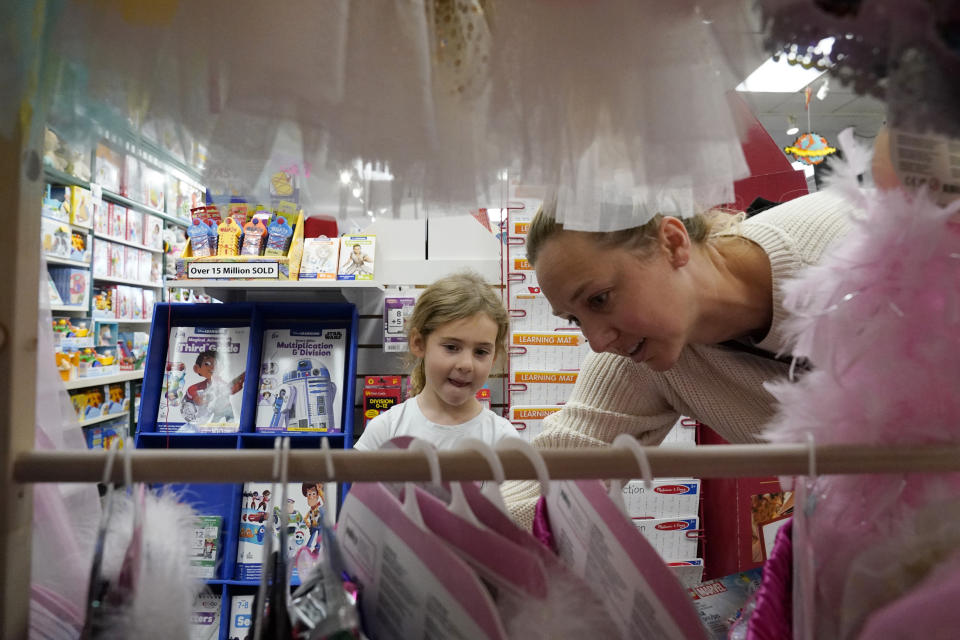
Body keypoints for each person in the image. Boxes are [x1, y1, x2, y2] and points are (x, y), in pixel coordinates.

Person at [501, 189, 856, 528]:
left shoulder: (852, 240)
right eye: (575, 320)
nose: (597, 341)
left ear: (672, 243)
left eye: (600, 300)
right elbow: (558, 476)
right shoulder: (644, 357)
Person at [354, 271, 519, 450]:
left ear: (493, 357)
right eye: (451, 347)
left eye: (480, 352)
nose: (466, 365)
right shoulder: (386, 430)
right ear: (418, 343)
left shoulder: (503, 439)